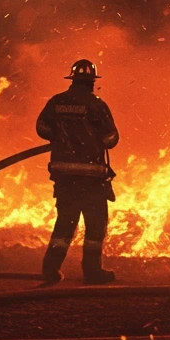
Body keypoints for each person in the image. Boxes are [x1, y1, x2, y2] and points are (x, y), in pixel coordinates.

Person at [36, 59, 119, 286]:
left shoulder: (57, 102)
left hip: (66, 179)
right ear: (92, 82)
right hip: (92, 180)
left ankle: (50, 270)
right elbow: (111, 139)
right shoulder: (97, 105)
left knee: (64, 225)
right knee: (94, 227)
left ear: (72, 80)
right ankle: (92, 273)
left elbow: (41, 128)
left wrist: (60, 135)